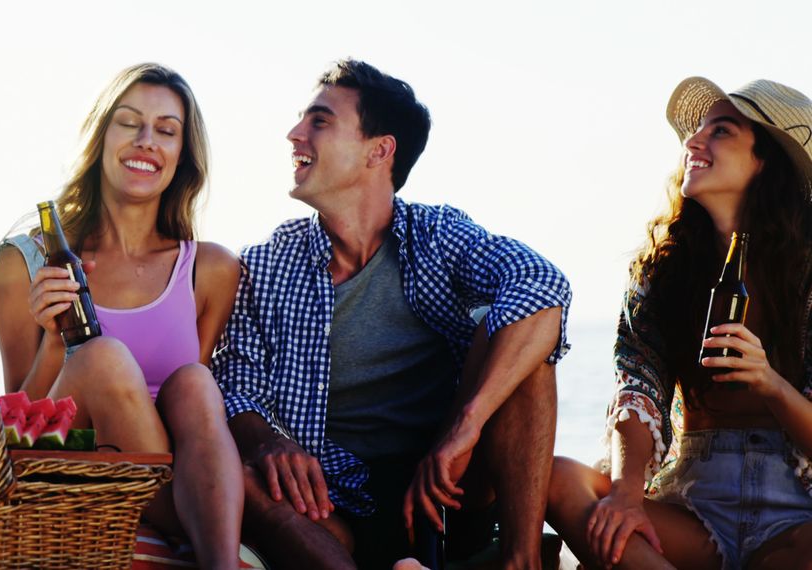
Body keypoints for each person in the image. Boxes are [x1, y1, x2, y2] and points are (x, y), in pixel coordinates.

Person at [212, 58, 572, 570]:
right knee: (239, 476)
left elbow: (543, 284)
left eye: (319, 121)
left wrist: (462, 430)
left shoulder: (437, 236)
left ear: (379, 151)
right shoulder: (267, 265)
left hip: (448, 486)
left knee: (529, 345)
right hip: (331, 497)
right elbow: (235, 381)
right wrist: (269, 442)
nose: (294, 134)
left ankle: (522, 561)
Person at [546, 77, 812, 570]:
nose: (693, 142)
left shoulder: (807, 275)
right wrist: (626, 495)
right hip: (695, 503)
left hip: (796, 514)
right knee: (557, 479)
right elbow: (637, 388)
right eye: (698, 132)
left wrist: (771, 384)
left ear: (765, 162)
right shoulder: (661, 270)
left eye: (722, 132)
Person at [0, 63, 244, 570]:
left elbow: (191, 417)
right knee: (102, 358)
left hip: (170, 473)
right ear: (102, 136)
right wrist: (58, 342)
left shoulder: (210, 269)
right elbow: (19, 421)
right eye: (129, 122)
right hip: (68, 472)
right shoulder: (27, 260)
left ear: (181, 156)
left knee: (195, 382)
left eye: (166, 130)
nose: (146, 140)